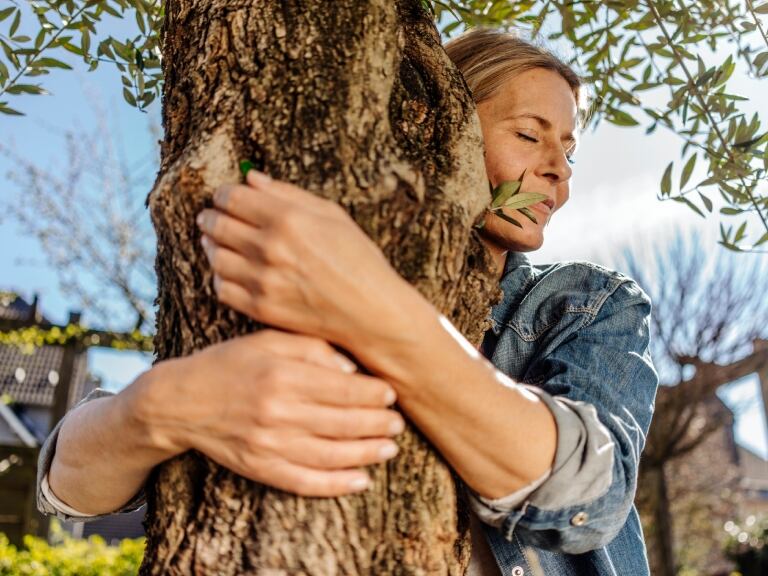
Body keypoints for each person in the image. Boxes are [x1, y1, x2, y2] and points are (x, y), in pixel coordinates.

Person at [37, 28, 658, 576]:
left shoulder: (587, 302)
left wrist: (377, 312)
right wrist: (160, 408)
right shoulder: (306, 261)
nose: (560, 171)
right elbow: (66, 488)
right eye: (530, 135)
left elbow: (593, 500)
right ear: (444, 131)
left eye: (569, 151)